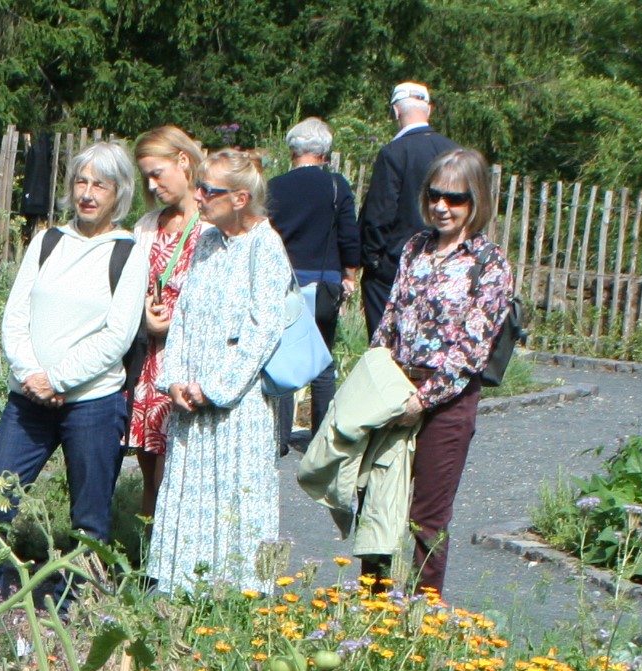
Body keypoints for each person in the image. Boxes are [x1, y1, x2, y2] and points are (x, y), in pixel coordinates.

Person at [0, 141, 150, 580]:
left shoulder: (127, 253)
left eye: (101, 185)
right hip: (28, 402)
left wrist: (59, 378)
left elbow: (119, 334)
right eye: (81, 181)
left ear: (119, 194)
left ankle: (79, 606)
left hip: (93, 404)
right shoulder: (48, 241)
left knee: (89, 520)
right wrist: (31, 375)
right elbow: (15, 315)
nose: (88, 194)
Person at [366, 147, 516, 597]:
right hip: (396, 389)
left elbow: (472, 348)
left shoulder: (490, 264)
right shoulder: (415, 247)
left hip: (446, 403)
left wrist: (423, 400)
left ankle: (421, 615)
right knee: (376, 504)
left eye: (456, 198)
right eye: (435, 195)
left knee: (426, 519)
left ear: (477, 202)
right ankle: (368, 608)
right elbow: (390, 319)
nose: (442, 207)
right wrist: (375, 381)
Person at [150, 148, 294, 593]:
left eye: (207, 190)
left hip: (236, 406)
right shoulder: (209, 240)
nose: (198, 196)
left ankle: (238, 601)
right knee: (189, 497)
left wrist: (213, 389)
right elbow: (186, 313)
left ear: (240, 198)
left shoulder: (266, 246)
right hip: (189, 399)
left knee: (234, 501)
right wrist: (172, 378)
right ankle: (182, 594)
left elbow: (262, 331)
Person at [124, 125, 207, 530]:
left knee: (182, 464)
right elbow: (129, 286)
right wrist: (144, 315)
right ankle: (146, 553)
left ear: (184, 161)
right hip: (150, 361)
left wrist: (180, 322)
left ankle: (179, 546)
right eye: (146, 178)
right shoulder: (146, 225)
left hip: (190, 358)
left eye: (158, 173)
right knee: (150, 464)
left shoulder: (212, 226)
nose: (152, 185)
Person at [265, 117, 359, 444]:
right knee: (322, 358)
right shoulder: (336, 185)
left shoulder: (273, 187)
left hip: (284, 283)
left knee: (282, 354)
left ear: (292, 150)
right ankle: (320, 439)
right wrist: (350, 274)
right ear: (325, 153)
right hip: (324, 283)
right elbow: (349, 236)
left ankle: (278, 439)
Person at [359, 83, 455, 341]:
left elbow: (380, 212)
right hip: (446, 259)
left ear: (395, 112)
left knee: (386, 346)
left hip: (395, 264)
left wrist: (371, 260)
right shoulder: (454, 152)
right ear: (429, 110)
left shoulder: (394, 153)